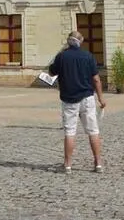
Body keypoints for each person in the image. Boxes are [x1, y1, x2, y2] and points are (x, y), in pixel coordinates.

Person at [47, 31, 107, 173]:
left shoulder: (62, 56)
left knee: (70, 132)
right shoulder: (88, 56)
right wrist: (101, 98)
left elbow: (51, 72)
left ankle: (67, 165)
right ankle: (98, 163)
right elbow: (96, 79)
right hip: (87, 98)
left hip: (69, 100)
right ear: (81, 41)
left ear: (68, 41)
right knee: (93, 131)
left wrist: (61, 54)